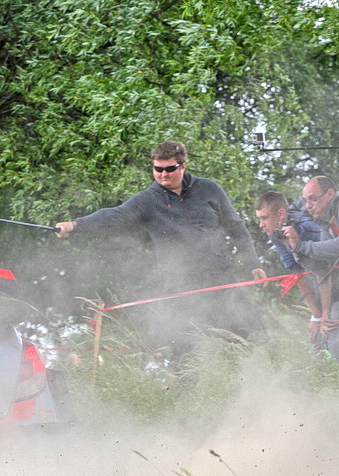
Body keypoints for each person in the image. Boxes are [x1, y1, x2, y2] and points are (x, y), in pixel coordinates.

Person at [55, 141, 267, 359]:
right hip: (181, 287)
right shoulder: (148, 200)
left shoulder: (209, 189)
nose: (163, 174)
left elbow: (235, 227)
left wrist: (253, 264)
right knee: (184, 354)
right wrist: (75, 225)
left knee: (254, 336)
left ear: (183, 166)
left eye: (169, 169)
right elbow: (115, 215)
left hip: (221, 279)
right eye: (158, 169)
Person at [280, 176, 339, 357]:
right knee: (330, 329)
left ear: (330, 194)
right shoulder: (325, 222)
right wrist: (296, 248)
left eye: (313, 199)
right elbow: (323, 268)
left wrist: (303, 247)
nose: (308, 206)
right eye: (305, 201)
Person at [254, 190, 322, 340]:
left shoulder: (308, 227)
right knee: (319, 339)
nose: (261, 225)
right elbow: (297, 272)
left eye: (264, 218)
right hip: (321, 282)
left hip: (331, 277)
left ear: (281, 214)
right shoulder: (275, 233)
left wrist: (325, 315)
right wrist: (316, 315)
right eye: (259, 219)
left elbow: (323, 270)